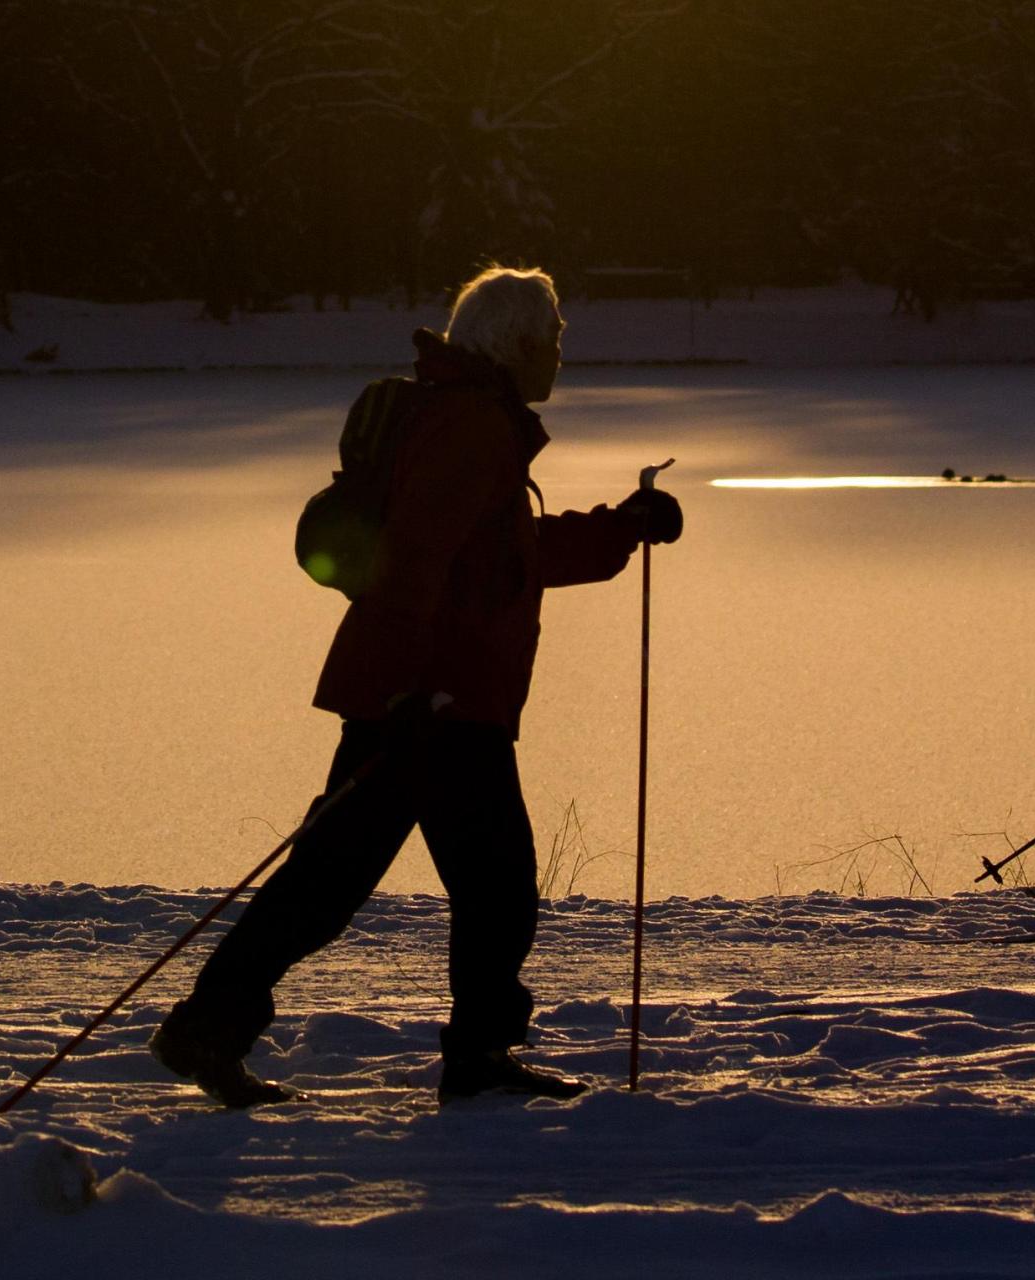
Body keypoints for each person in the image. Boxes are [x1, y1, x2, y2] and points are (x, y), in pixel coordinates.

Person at [150, 266, 683, 1107]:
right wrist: (405, 694)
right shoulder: (471, 427)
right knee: (493, 887)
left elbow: (501, 559)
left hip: (421, 699)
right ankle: (473, 1061)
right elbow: (415, 564)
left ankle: (206, 1029)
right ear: (513, 345)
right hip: (436, 704)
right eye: (551, 339)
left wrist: (621, 529)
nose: (557, 354)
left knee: (330, 885)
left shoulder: (470, 418)